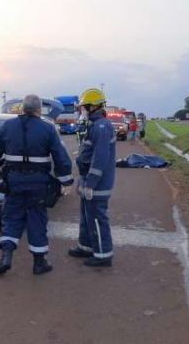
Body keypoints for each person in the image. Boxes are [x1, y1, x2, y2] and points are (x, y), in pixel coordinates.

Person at [0, 94, 74, 275]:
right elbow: (60, 156)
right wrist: (65, 181)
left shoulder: (7, 126)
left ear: (22, 109)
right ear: (38, 110)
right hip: (38, 183)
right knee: (37, 219)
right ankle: (39, 263)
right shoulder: (48, 129)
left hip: (14, 181)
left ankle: (6, 257)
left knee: (11, 217)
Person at [68, 88, 116, 267]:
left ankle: (103, 255)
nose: (82, 111)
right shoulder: (94, 126)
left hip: (96, 184)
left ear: (93, 106)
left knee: (97, 218)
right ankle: (86, 246)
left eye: (84, 108)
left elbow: (100, 158)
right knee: (87, 216)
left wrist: (91, 183)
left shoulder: (101, 127)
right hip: (87, 181)